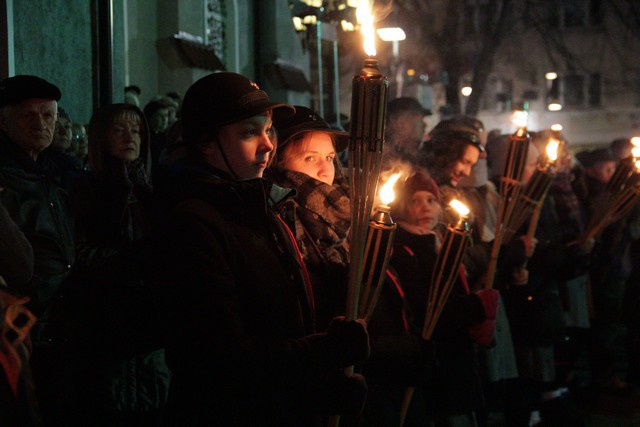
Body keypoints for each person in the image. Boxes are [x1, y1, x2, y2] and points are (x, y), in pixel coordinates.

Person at [151, 72, 370, 425]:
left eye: (269, 130)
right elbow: (224, 362)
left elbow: (281, 324)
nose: (268, 144)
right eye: (249, 132)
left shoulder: (264, 210)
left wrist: (319, 393)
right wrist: (325, 351)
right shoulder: (193, 224)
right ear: (207, 143)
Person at [362, 171, 497, 426]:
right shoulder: (401, 247)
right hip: (436, 360)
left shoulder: (443, 240)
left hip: (458, 356)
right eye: (415, 200)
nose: (425, 207)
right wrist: (477, 307)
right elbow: (426, 305)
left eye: (431, 200)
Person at [65, 103, 170, 425]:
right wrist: (133, 261)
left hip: (152, 332)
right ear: (101, 138)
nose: (130, 137)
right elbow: (81, 254)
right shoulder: (86, 190)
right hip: (106, 326)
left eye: (136, 130)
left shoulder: (153, 191)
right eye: (119, 130)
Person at [0, 75, 75, 424]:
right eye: (29, 116)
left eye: (48, 116)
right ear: (4, 120)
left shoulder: (54, 174)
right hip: (22, 331)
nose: (41, 124)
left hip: (61, 327)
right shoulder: (7, 179)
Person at [268, 106, 350, 330]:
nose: (326, 170)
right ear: (277, 161)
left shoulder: (349, 216)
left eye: (330, 157)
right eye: (310, 158)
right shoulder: (276, 223)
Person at [383, 97, 430, 168]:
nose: (425, 125)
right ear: (401, 121)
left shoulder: (413, 157)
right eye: (418, 117)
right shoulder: (384, 154)